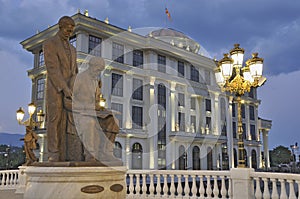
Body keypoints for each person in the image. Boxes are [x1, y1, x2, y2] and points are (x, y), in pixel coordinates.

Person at [73, 57, 122, 165]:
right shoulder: (79, 79)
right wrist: (85, 107)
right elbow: (69, 100)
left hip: (94, 113)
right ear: (91, 66)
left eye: (100, 70)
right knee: (90, 123)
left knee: (114, 121)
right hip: (80, 113)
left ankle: (106, 152)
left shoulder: (97, 81)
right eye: (97, 69)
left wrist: (101, 108)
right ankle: (90, 154)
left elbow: (97, 100)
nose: (98, 72)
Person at [43, 16, 79, 162]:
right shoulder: (50, 43)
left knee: (68, 123)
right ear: (60, 27)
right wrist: (64, 88)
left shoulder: (73, 49)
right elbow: (53, 69)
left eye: (71, 31)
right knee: (55, 120)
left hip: (70, 90)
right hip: (55, 89)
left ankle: (66, 153)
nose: (69, 33)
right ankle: (53, 153)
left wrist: (78, 86)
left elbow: (74, 71)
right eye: (67, 30)